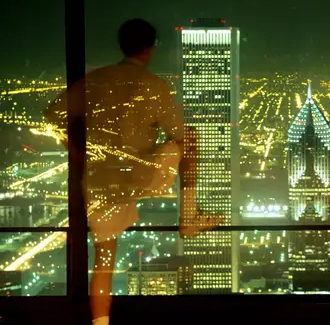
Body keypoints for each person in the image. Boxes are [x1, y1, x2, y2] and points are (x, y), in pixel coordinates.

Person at [44, 19, 222, 325]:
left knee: (104, 262)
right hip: (141, 175)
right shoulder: (154, 87)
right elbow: (182, 137)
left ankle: (100, 324)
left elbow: (54, 116)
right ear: (150, 49)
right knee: (189, 138)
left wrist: (79, 151)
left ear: (122, 45)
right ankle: (189, 216)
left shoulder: (95, 80)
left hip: (101, 181)